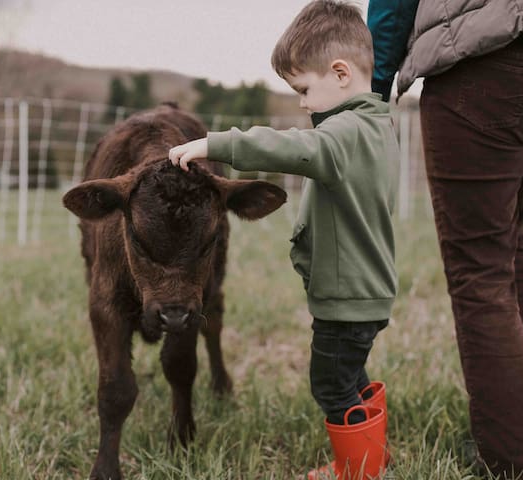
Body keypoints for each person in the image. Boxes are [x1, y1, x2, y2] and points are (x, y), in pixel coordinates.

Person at [169, 1, 398, 478]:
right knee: (351, 377)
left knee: (331, 386)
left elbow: (295, 148)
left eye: (303, 90)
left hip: (345, 299)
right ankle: (373, 457)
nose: (301, 103)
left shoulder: (344, 132)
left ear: (339, 73)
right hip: (367, 293)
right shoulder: (377, 126)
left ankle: (356, 470)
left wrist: (217, 145)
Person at [368, 1, 523, 477]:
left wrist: (372, 97)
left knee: (480, 271)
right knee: (510, 238)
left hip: (481, 60)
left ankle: (514, 462)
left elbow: (394, 7)